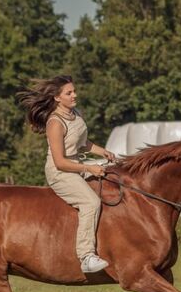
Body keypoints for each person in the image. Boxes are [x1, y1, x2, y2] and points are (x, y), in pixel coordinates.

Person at [17, 75, 115, 273]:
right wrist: (90, 168)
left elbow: (82, 143)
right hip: (61, 172)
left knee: (112, 177)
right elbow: (60, 162)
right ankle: (86, 256)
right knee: (91, 202)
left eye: (74, 91)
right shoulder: (55, 123)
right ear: (57, 98)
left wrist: (102, 151)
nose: (74, 95)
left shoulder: (75, 113)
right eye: (69, 93)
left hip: (78, 163)